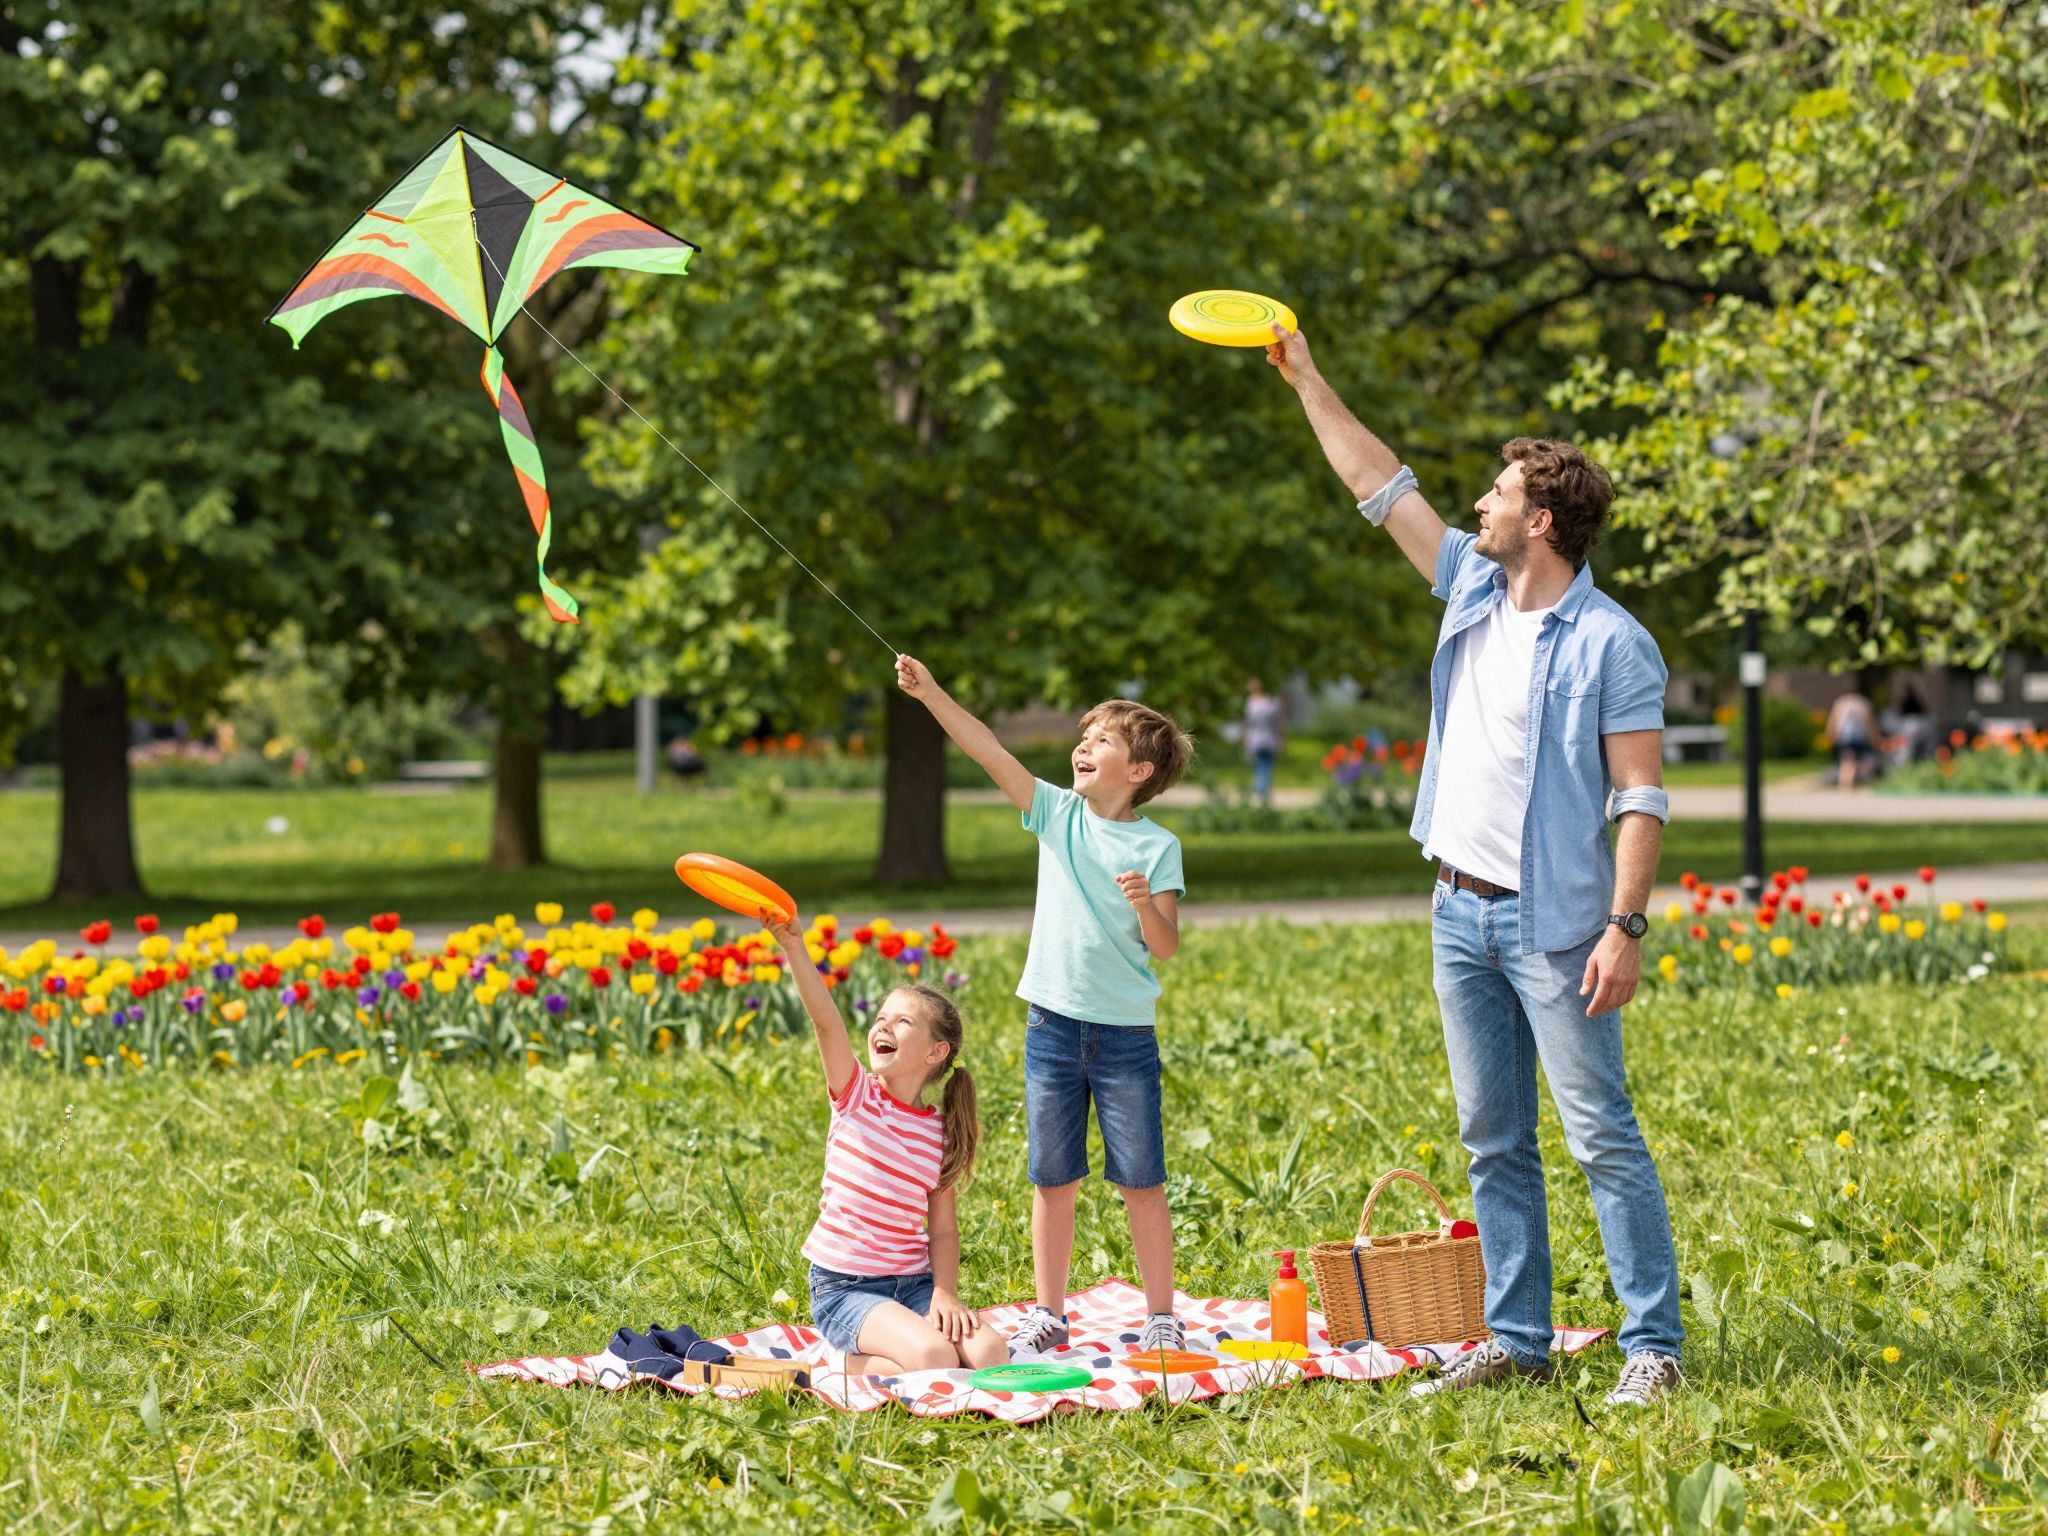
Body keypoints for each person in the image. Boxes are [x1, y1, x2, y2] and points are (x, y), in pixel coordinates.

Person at [1267, 323, 1684, 1407]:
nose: (1478, 507)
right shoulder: (1467, 586)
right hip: (1457, 912)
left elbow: (1639, 798)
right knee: (1492, 1140)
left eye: (1497, 495)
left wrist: (1624, 927)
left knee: (1600, 1137)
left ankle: (1653, 1347)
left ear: (1539, 521)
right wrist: (1306, 378)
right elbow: (1378, 484)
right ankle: (1516, 1339)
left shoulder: (1612, 644)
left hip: (1559, 926)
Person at [895, 655, 1193, 1356]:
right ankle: (1049, 1314)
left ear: (1139, 771)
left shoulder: (1158, 846)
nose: (1081, 748)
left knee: (1141, 1180)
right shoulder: (1057, 813)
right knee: (1052, 1178)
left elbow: (1166, 946)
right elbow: (988, 749)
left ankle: (1161, 1317)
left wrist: (1145, 905)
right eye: (1082, 739)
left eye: (1100, 741)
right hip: (1052, 1028)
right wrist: (932, 693)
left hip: (1124, 1036)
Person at [767, 916, 1007, 1376]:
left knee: (990, 1355)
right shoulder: (856, 1096)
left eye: (903, 1021)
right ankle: (844, 1362)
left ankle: (906, 1346)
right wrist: (795, 948)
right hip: (846, 1288)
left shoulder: (940, 1133)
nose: (884, 1026)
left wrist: (945, 1294)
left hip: (914, 1284)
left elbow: (943, 1231)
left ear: (935, 1052)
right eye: (881, 1018)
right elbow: (826, 1025)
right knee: (935, 1358)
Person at [1242, 679, 1286, 804]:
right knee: (1266, 765)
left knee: (1259, 765)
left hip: (1255, 739)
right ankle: (1263, 789)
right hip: (1270, 738)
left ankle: (1260, 789)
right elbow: (1278, 723)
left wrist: (1245, 739)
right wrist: (1281, 739)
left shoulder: (1251, 704)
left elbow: (1248, 724)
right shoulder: (1271, 703)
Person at [1825, 691, 1878, 789]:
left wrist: (1830, 733)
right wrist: (1874, 738)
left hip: (1845, 737)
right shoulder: (1863, 703)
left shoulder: (1841, 702)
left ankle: (1847, 783)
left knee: (1848, 761)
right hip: (1858, 737)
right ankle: (1847, 784)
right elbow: (1870, 724)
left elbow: (1833, 720)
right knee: (1851, 761)